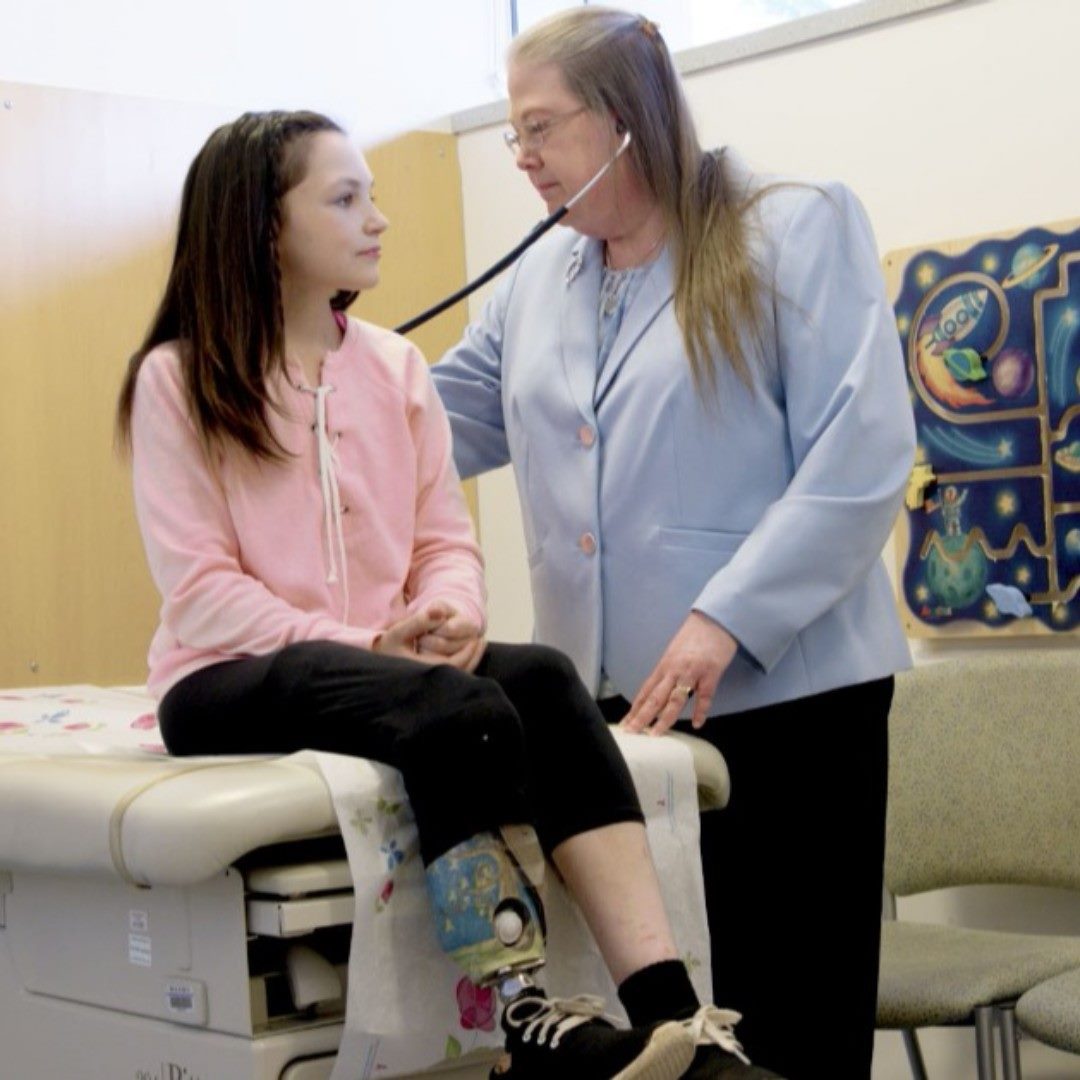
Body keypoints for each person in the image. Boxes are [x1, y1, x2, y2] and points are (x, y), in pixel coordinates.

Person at [115, 109, 782, 1080]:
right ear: (265, 227)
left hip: (387, 667)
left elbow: (443, 542)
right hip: (231, 677)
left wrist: (454, 614)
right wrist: (363, 641)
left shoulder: (392, 371)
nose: (376, 218)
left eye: (373, 194)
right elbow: (205, 591)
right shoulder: (177, 380)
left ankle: (678, 1026)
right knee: (454, 706)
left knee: (544, 682)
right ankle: (525, 1016)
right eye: (345, 198)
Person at [430, 8, 917, 1078]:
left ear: (622, 121)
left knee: (790, 1014)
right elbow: (431, 424)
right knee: (665, 1035)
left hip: (790, 705)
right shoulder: (534, 285)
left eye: (539, 128)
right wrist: (291, 373)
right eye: (511, 134)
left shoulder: (792, 227)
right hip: (618, 723)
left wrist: (725, 619)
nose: (521, 159)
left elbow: (862, 457)